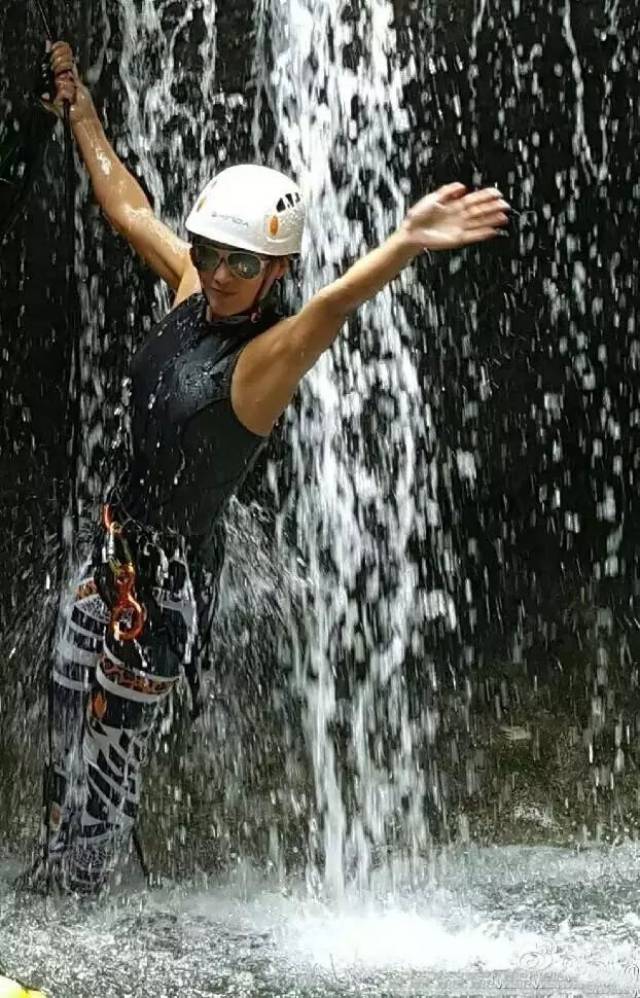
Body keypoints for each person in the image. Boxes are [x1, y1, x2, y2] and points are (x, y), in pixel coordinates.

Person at [28, 41, 510, 895]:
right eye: (211, 250)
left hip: (165, 590)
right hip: (110, 557)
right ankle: (54, 877)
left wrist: (404, 243)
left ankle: (84, 915)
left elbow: (334, 307)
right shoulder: (192, 287)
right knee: (65, 720)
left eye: (241, 263)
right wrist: (82, 115)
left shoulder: (263, 362)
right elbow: (129, 210)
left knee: (108, 761)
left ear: (275, 271)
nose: (218, 272)